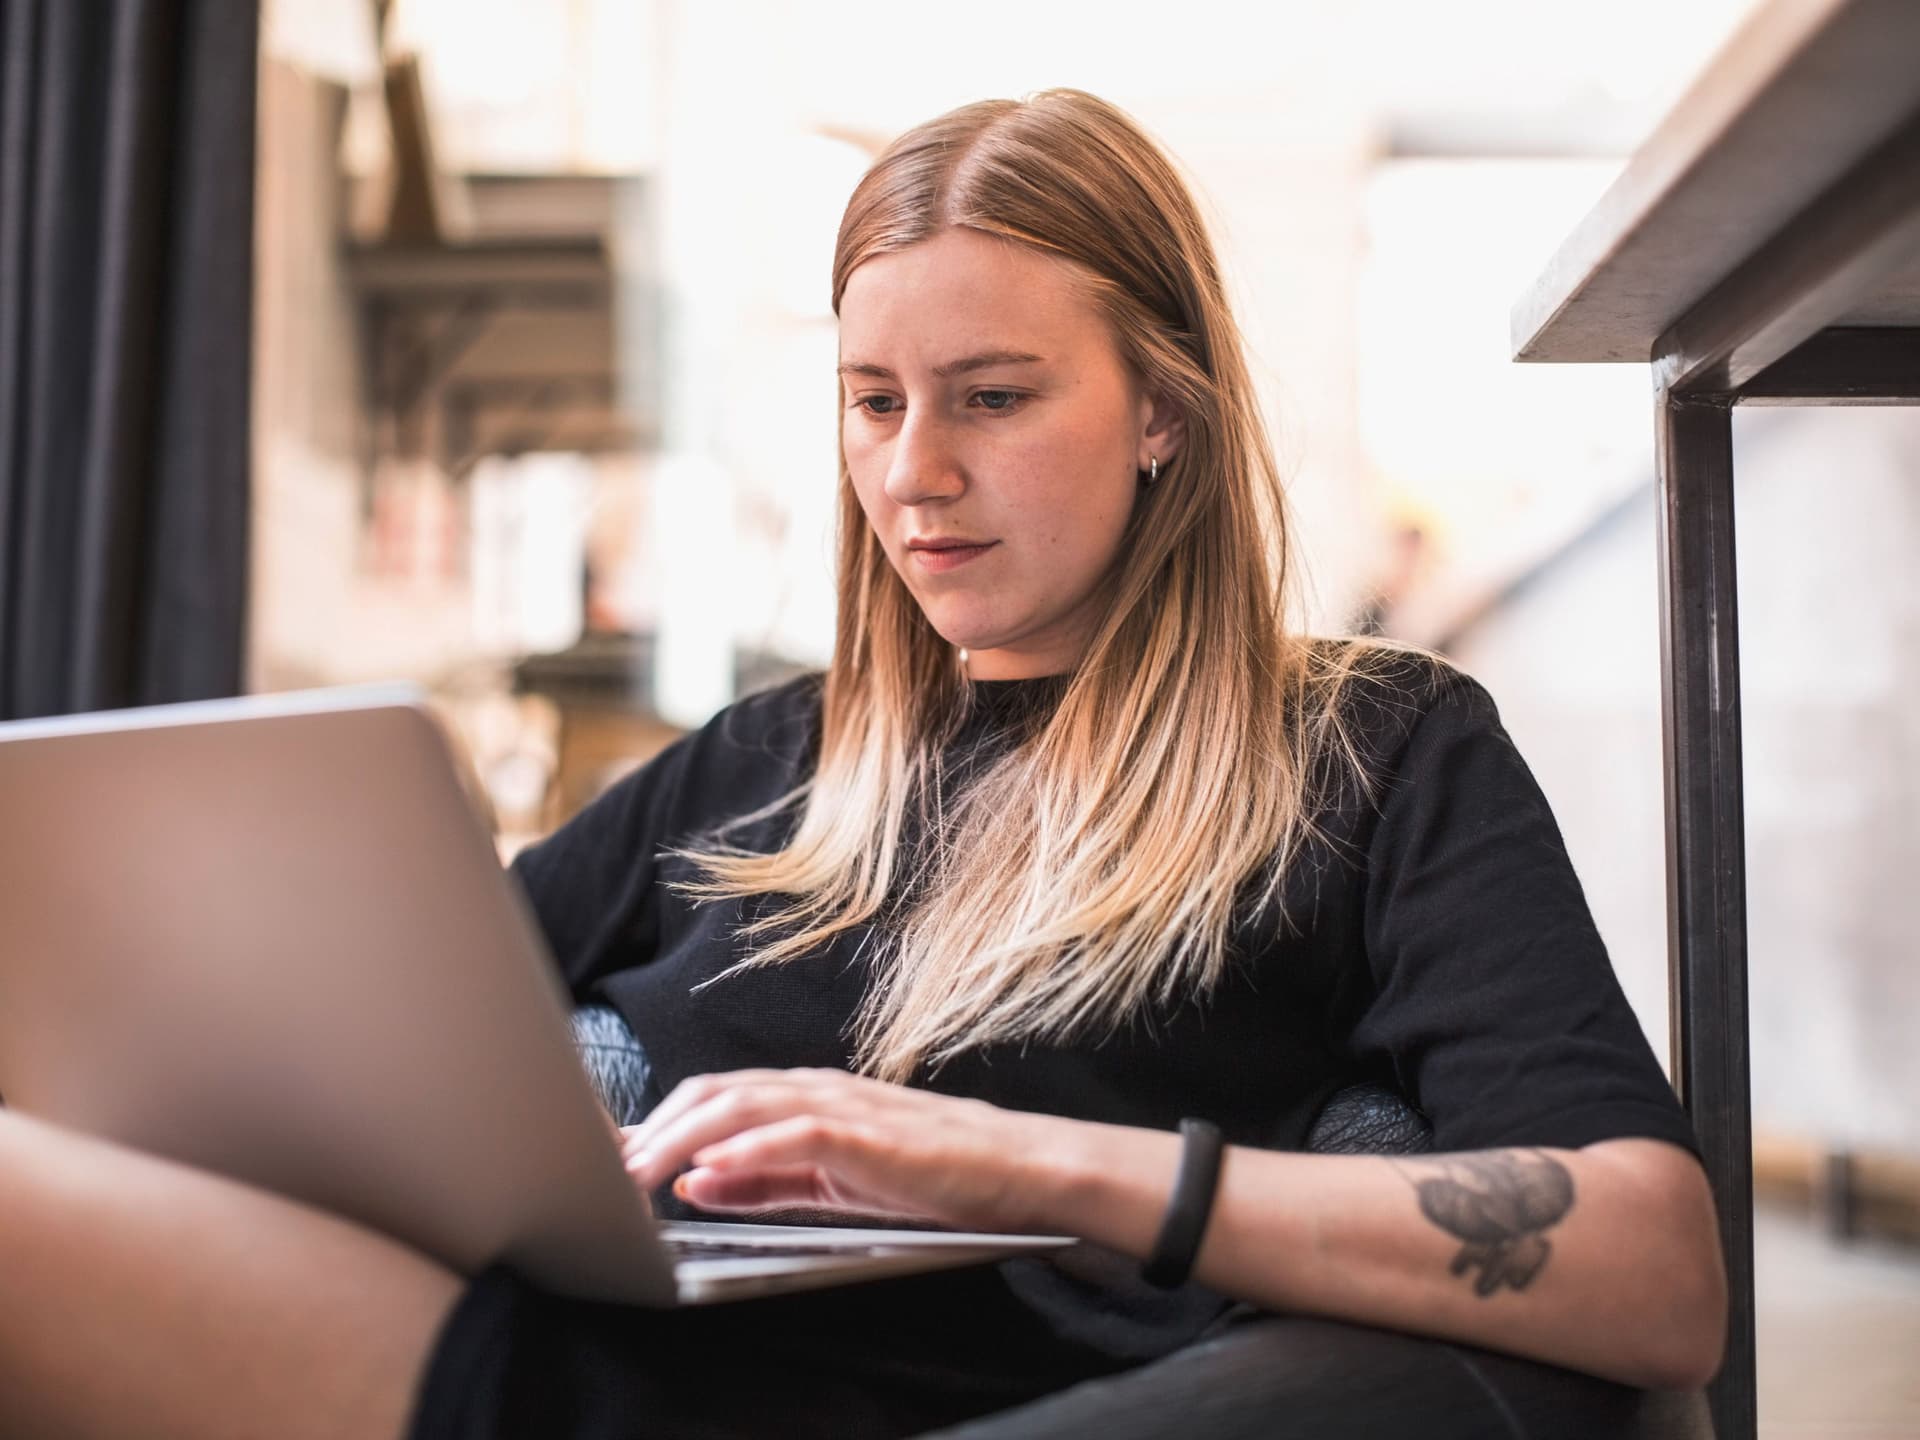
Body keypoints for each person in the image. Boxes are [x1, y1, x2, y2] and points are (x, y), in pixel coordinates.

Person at [0, 89, 1725, 1440]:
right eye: (874, 401)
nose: (913, 475)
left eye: (992, 397)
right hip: (547, 1344)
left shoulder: (1364, 751)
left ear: (1161, 415)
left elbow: (1653, 1274)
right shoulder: (763, 759)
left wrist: (995, 1159)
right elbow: (405, 1057)